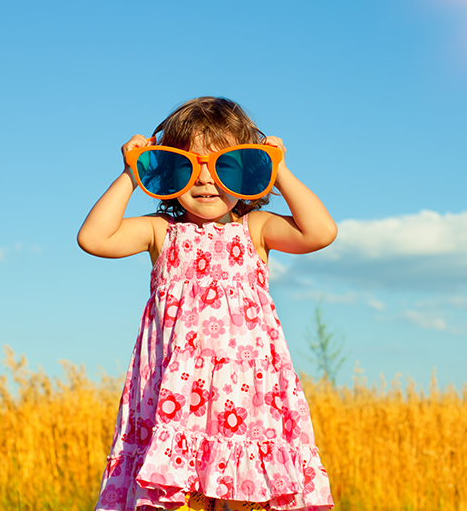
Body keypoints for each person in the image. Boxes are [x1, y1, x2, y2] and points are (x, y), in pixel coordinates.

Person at [78, 97, 338, 511]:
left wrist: (280, 169)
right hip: (174, 400)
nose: (205, 180)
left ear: (250, 171)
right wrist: (130, 173)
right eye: (188, 165)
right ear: (164, 172)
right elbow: (94, 239)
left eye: (225, 165)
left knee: (242, 492)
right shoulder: (160, 231)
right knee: (174, 495)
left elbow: (320, 232)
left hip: (246, 398)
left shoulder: (255, 229)